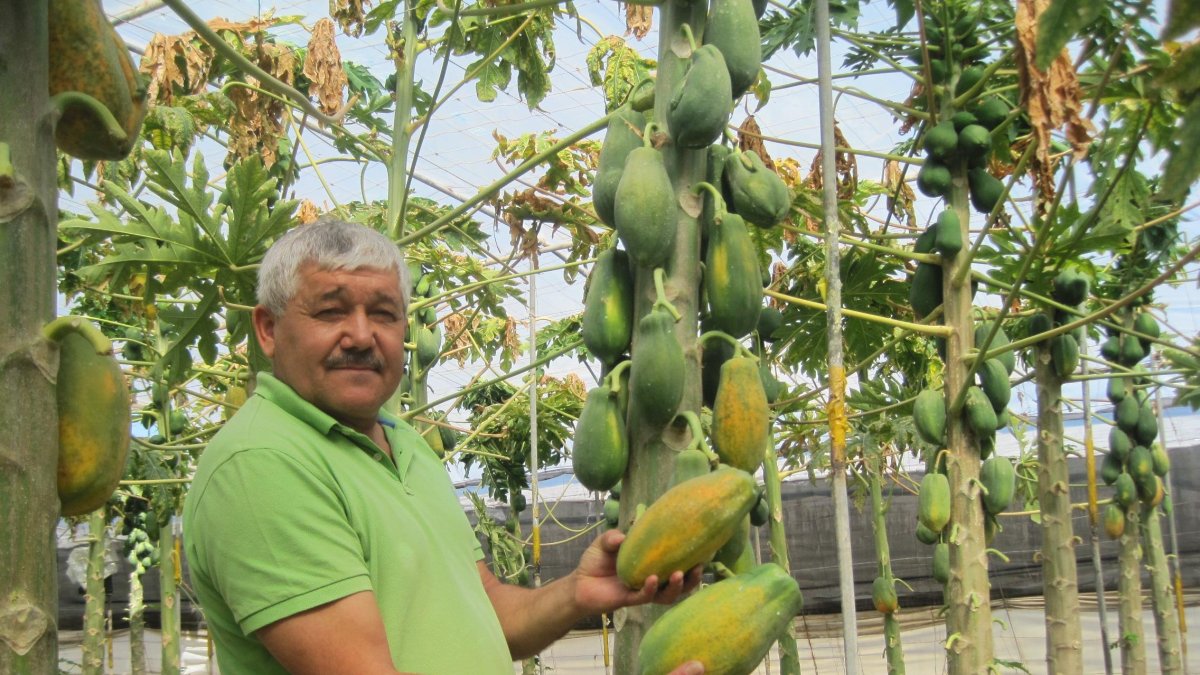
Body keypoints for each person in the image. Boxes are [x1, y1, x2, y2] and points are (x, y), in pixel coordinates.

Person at [182, 217, 704, 675]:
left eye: (384, 314)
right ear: (268, 329)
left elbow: (490, 610)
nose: (361, 336)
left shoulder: (404, 442)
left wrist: (577, 592)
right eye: (330, 311)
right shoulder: (261, 463)